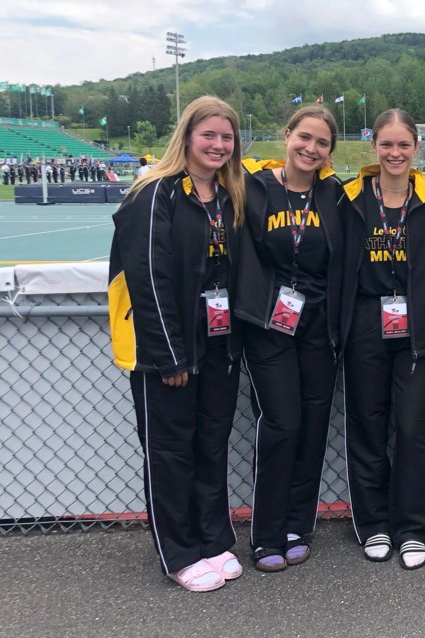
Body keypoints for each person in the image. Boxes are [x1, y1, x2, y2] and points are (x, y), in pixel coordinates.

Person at [107, 95, 247, 591]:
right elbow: (148, 279)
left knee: (210, 446)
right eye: (208, 134)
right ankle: (179, 552)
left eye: (226, 136)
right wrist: (169, 354)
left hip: (218, 347)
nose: (218, 144)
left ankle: (213, 540)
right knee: (170, 452)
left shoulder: (229, 197)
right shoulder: (153, 194)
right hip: (167, 352)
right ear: (186, 136)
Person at [234, 105, 343, 572]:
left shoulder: (336, 196)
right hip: (269, 327)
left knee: (314, 426)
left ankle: (299, 523)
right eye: (305, 138)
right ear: (287, 135)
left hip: (318, 327)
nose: (311, 149)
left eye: (321, 143)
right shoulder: (254, 188)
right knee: (282, 424)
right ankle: (267, 530)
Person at [339, 108, 425, 570]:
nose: (395, 153)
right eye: (387, 144)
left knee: (410, 428)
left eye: (404, 145)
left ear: (416, 148)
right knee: (368, 428)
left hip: (417, 331)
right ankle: (374, 524)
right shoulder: (349, 199)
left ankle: (414, 528)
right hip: (365, 327)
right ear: (373, 147)